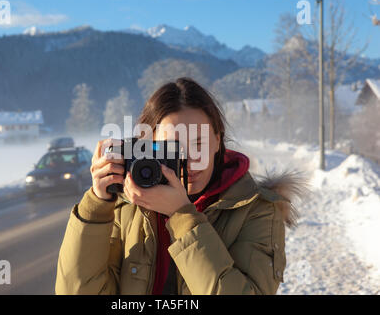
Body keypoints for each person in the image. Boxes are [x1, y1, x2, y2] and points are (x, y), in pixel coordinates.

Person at [55, 77, 309, 295]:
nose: (190, 160)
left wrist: (183, 217)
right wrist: (97, 207)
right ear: (147, 147)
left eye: (199, 144)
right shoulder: (125, 205)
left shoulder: (257, 209)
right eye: (173, 148)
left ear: (218, 140)